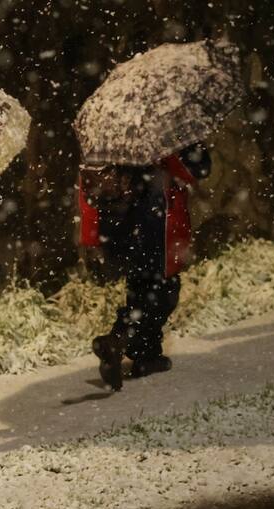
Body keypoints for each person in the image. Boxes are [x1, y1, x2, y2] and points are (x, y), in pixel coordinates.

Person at [79, 144, 211, 391]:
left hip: (117, 228)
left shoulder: (103, 139)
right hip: (154, 223)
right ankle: (117, 340)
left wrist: (91, 235)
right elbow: (192, 170)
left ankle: (146, 355)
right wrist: (191, 149)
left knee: (140, 288)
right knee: (163, 293)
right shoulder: (158, 137)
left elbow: (87, 193)